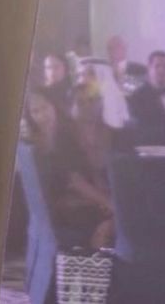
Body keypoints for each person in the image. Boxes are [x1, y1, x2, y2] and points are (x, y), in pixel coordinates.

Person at [23, 88, 114, 249]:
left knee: (112, 212)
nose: (42, 115)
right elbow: (74, 181)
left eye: (45, 108)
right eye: (35, 111)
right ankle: (94, 259)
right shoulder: (35, 143)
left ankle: (96, 254)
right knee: (114, 216)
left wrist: (104, 197)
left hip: (73, 199)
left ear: (54, 106)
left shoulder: (66, 134)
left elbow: (87, 170)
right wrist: (107, 202)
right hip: (58, 208)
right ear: (30, 116)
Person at [126, 50, 165, 146]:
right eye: (157, 66)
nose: (162, 70)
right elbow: (140, 131)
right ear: (149, 69)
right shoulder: (137, 97)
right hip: (157, 148)